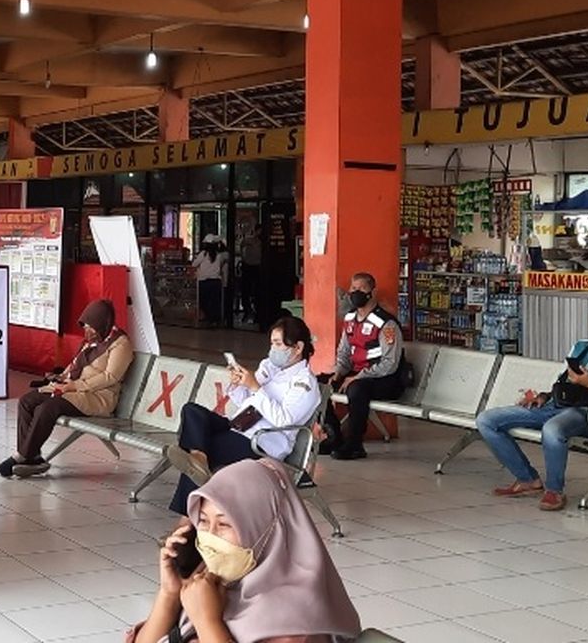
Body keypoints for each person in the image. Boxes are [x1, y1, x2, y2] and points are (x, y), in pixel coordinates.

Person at [131, 459, 361, 643]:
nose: (210, 536)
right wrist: (170, 594)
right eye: (202, 521)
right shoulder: (212, 581)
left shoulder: (293, 625)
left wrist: (207, 621)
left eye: (224, 524)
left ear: (266, 530)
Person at [477, 296, 588, 512]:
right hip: (556, 406)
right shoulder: (580, 347)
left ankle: (554, 490)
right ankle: (527, 479)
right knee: (487, 420)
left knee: (553, 429)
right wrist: (544, 396)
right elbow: (562, 381)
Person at [165, 316, 320, 514]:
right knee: (192, 412)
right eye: (271, 343)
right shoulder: (270, 367)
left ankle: (186, 520)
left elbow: (284, 420)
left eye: (278, 344)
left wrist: (256, 388)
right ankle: (199, 461)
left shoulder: (305, 384)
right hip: (238, 426)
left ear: (298, 347)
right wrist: (239, 384)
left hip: (261, 443)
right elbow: (244, 401)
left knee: (198, 452)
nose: (273, 349)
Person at [1, 299, 133, 478]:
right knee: (27, 401)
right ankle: (32, 456)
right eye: (85, 326)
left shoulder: (120, 344)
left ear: (103, 324)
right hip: (73, 390)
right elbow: (74, 365)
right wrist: (60, 377)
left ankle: (22, 455)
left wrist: (75, 385)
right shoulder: (91, 342)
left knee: (48, 408)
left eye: (91, 327)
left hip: (97, 397)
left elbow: (110, 377)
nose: (87, 331)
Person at [319, 272, 405, 461]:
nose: (355, 292)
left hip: (385, 379)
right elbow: (344, 352)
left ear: (372, 292)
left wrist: (359, 376)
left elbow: (390, 363)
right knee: (317, 384)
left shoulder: (386, 323)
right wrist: (339, 372)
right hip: (356, 374)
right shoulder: (350, 319)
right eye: (353, 288)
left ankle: (355, 444)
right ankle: (333, 436)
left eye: (361, 289)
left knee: (356, 389)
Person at [192, 234, 227, 327]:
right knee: (215, 302)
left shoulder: (203, 254)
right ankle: (215, 320)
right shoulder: (219, 255)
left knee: (204, 301)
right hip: (216, 282)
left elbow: (194, 264)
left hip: (204, 282)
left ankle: (207, 318)